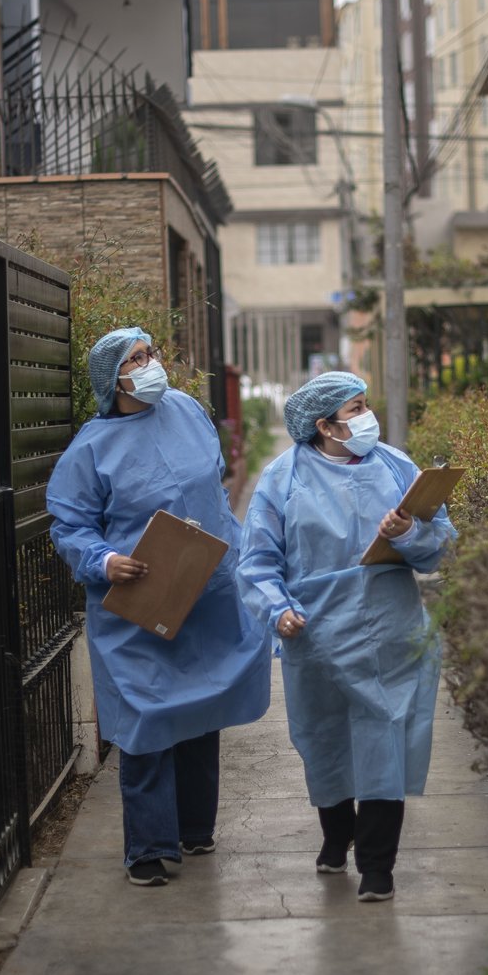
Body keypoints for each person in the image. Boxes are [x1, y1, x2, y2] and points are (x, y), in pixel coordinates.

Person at [48, 327, 272, 887]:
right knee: (146, 719)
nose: (152, 365)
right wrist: (104, 562)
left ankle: (195, 828)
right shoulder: (91, 448)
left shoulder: (187, 411)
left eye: (151, 354)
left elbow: (215, 487)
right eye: (137, 359)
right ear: (113, 378)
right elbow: (71, 525)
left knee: (201, 710)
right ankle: (149, 848)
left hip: (208, 587)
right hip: (138, 600)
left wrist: (235, 553)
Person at [238, 371, 456, 902]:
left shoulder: (396, 465)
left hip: (391, 623)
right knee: (326, 739)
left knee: (386, 734)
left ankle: (378, 866)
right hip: (317, 630)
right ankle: (337, 835)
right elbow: (258, 561)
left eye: (365, 405)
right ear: (324, 426)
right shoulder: (282, 478)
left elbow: (440, 541)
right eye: (354, 410)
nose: (366, 418)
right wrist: (277, 610)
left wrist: (411, 534)